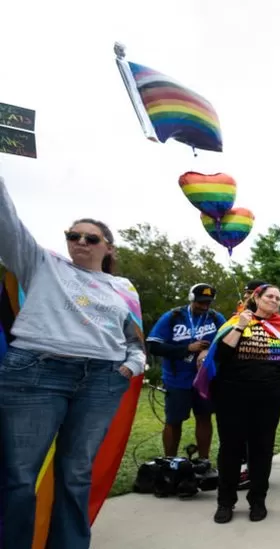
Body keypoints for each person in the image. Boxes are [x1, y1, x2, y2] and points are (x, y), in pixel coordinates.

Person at [0, 176, 146, 548]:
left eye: (90, 238)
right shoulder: (42, 263)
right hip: (36, 372)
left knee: (76, 473)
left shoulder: (123, 288)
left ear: (108, 248)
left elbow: (136, 340)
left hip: (101, 380)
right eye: (73, 235)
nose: (80, 242)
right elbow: (8, 222)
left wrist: (132, 365)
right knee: (18, 475)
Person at [201, 284, 280, 524]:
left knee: (262, 450)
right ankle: (225, 502)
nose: (275, 301)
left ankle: (258, 500)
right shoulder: (235, 321)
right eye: (270, 296)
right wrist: (240, 326)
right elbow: (220, 356)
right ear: (256, 298)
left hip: (268, 399)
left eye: (278, 298)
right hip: (232, 396)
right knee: (230, 449)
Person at [146, 283, 226, 459]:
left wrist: (208, 351)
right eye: (200, 302)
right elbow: (154, 346)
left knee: (204, 417)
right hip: (177, 379)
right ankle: (170, 461)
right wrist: (187, 348)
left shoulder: (215, 318)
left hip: (205, 378)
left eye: (208, 303)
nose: (204, 306)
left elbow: (228, 344)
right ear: (191, 299)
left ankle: (203, 461)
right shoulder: (173, 317)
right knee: (174, 420)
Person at [232, 279, 268, 490]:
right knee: (237, 435)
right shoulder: (236, 319)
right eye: (248, 293)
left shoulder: (277, 323)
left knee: (259, 436)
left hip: (264, 387)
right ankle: (238, 471)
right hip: (238, 385)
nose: (248, 297)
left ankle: (255, 474)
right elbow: (224, 350)